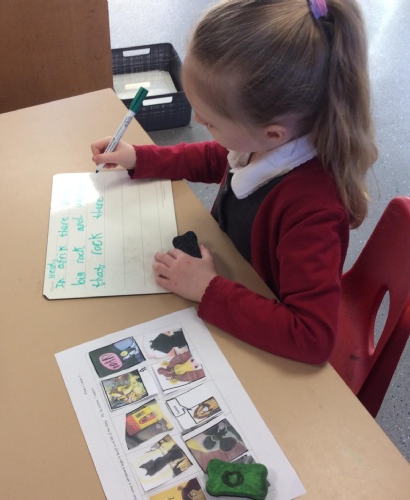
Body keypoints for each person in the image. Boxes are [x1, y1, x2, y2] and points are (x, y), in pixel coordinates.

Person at [91, 0, 377, 364]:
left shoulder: (314, 213)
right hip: (232, 276)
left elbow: (311, 337)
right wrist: (140, 157)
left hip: (260, 327)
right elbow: (213, 158)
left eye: (210, 121)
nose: (197, 121)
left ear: (272, 133)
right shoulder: (263, 144)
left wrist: (207, 287)